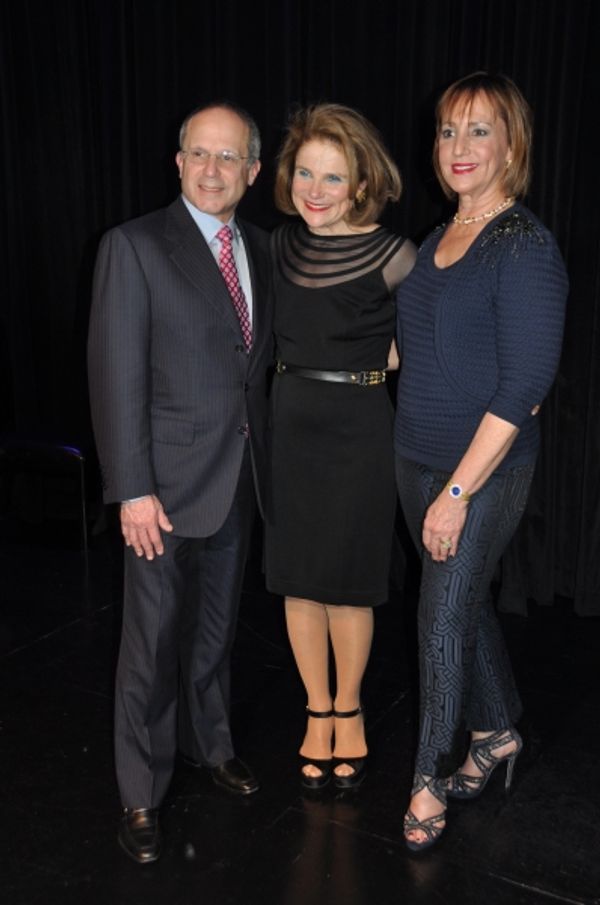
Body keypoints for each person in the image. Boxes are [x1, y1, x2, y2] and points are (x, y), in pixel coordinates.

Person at [87, 102, 273, 864]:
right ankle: (141, 790)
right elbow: (115, 374)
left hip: (236, 481)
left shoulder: (261, 246)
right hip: (159, 491)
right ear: (179, 160)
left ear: (254, 172)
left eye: (229, 158)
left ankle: (211, 744)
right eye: (199, 153)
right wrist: (132, 488)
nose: (212, 169)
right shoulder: (133, 246)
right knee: (150, 644)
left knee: (214, 632)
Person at [394, 72, 568, 851]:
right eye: (447, 131)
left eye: (479, 130)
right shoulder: (440, 235)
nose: (458, 148)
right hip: (414, 458)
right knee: (461, 606)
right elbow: (424, 343)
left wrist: (458, 491)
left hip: (481, 471)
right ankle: (498, 730)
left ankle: (428, 774)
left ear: (512, 144)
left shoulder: (524, 245)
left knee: (438, 620)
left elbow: (525, 385)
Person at [265, 103, 416, 790]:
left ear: (361, 183)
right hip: (292, 420)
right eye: (306, 173)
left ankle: (348, 708)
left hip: (359, 426)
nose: (316, 190)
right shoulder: (276, 246)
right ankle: (314, 706)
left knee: (349, 583)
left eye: (334, 176)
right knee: (300, 579)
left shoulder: (395, 255)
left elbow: (421, 346)